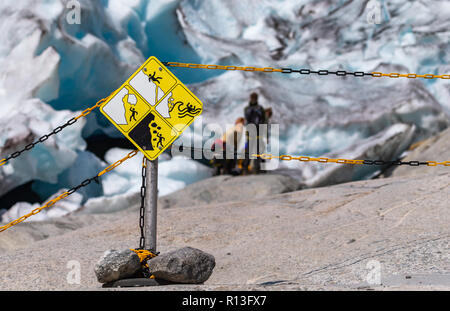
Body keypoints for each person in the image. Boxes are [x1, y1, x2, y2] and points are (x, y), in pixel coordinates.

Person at [243, 92, 266, 174]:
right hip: (254, 133)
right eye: (253, 98)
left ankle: (252, 169)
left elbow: (263, 120)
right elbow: (263, 120)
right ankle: (250, 169)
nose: (253, 99)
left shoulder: (250, 109)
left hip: (254, 133)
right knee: (253, 152)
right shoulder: (257, 108)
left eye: (254, 98)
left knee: (253, 152)